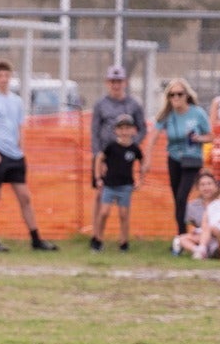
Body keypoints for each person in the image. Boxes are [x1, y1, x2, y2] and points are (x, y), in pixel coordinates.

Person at [0, 59, 56, 252]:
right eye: (0, 76)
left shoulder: (17, 101)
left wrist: (21, 149)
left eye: (6, 75)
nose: (3, 79)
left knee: (25, 197)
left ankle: (36, 239)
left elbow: (20, 127)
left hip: (15, 155)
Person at [155, 78, 209, 230]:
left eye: (179, 94)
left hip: (192, 159)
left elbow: (211, 136)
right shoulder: (168, 115)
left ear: (187, 95)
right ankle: (181, 235)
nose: (176, 98)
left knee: (181, 197)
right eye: (172, 95)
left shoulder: (197, 113)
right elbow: (154, 135)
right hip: (174, 159)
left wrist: (199, 138)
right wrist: (146, 159)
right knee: (177, 199)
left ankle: (184, 232)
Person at [90, 115, 144, 252]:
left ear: (133, 130)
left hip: (125, 186)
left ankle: (124, 242)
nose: (124, 132)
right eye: (121, 128)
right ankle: (98, 239)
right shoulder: (111, 146)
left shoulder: (134, 149)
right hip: (109, 185)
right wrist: (98, 178)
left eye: (128, 128)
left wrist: (140, 179)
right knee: (104, 212)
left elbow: (142, 162)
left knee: (124, 214)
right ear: (116, 131)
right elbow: (99, 158)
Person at [90, 65, 147, 177]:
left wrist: (131, 145)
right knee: (102, 190)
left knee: (122, 189)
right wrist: (98, 158)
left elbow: (142, 129)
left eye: (119, 81)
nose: (116, 85)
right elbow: (95, 132)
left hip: (124, 157)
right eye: (112, 81)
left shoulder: (134, 104)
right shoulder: (100, 104)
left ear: (125, 82)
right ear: (107, 83)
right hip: (104, 155)